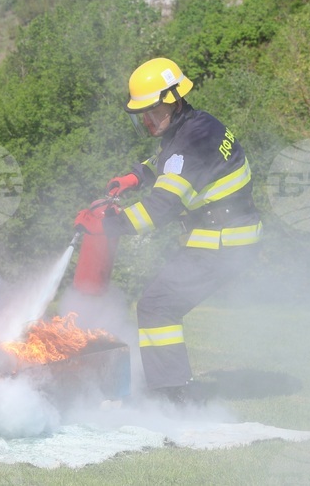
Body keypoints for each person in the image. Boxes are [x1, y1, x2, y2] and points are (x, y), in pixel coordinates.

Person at [75, 57, 261, 403]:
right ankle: (171, 389)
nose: (145, 120)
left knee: (158, 306)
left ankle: (173, 397)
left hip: (224, 242)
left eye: (151, 111)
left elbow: (159, 209)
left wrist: (105, 224)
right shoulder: (198, 125)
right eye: (140, 114)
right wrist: (137, 175)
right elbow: (167, 161)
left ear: (174, 100)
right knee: (158, 305)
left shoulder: (192, 141)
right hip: (224, 237)